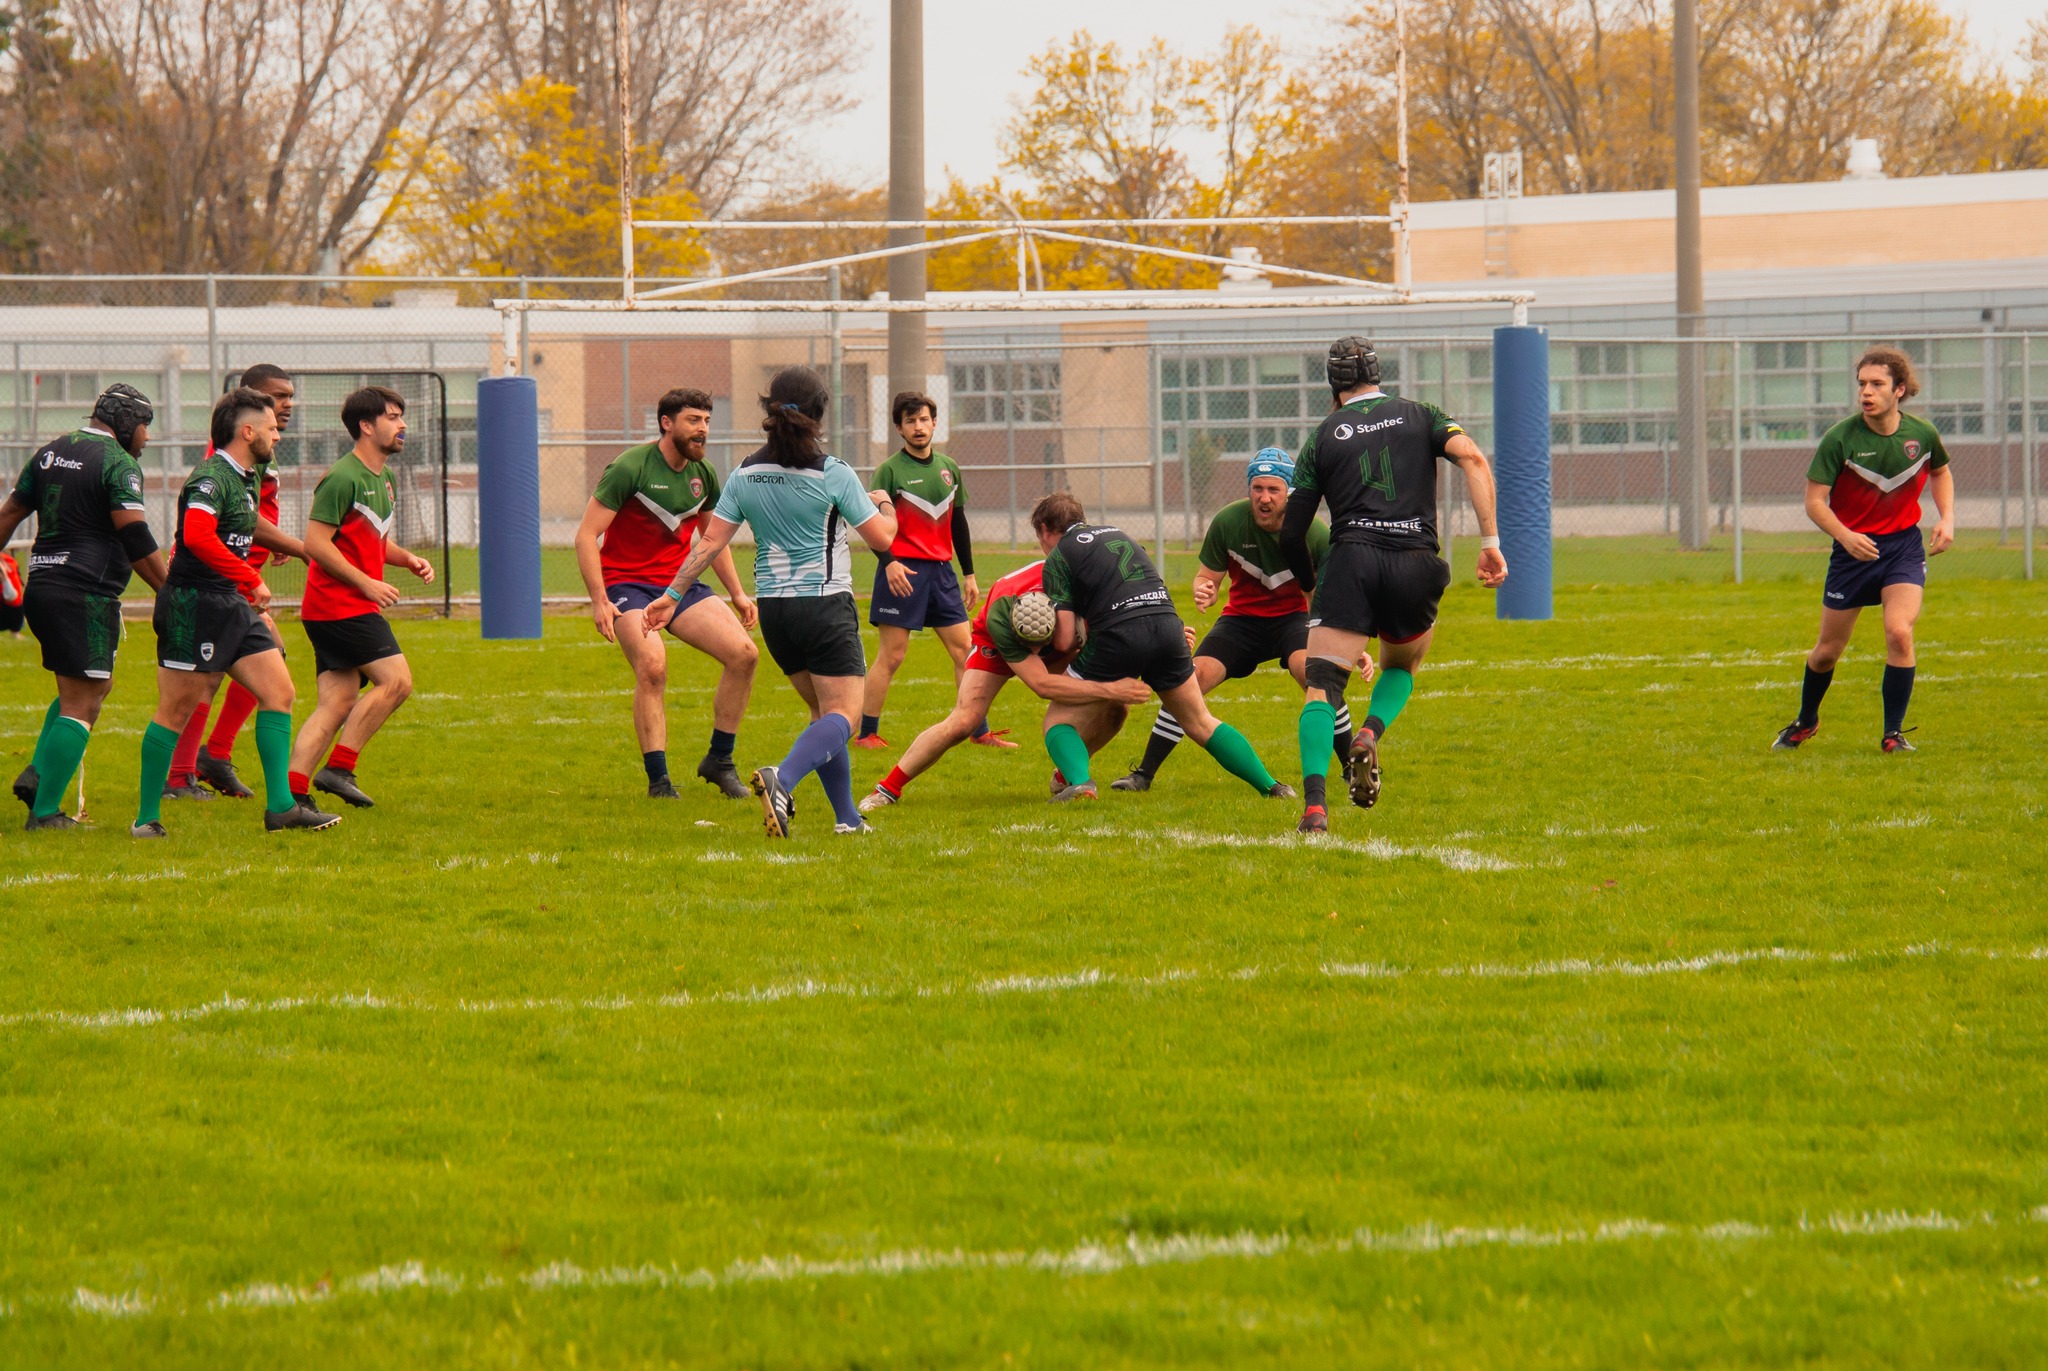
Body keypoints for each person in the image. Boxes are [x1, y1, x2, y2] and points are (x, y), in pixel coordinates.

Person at [642, 366, 895, 838]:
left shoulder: (745, 472)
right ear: (819, 414)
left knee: (824, 714)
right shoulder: (833, 471)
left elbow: (710, 542)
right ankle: (784, 778)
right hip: (823, 605)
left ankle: (847, 818)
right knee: (845, 716)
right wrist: (885, 505)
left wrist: (671, 595)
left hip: (776, 614)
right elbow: (881, 536)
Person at [1280, 335, 1507, 834]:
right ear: (1377, 373)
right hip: (1414, 560)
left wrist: (1309, 586)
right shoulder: (1421, 413)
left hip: (1352, 561)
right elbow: (1472, 458)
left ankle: (1315, 807)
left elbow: (1293, 530)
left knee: (1320, 686)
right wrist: (1490, 541)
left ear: (1333, 383)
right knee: (1403, 664)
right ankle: (1368, 733)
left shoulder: (1322, 436)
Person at [859, 492, 1151, 812]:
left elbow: (1138, 601)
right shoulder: (1005, 608)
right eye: (1033, 643)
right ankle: (887, 789)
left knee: (1116, 709)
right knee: (965, 719)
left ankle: (1068, 772)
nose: (1037, 650)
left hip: (1066, 642)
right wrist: (1107, 684)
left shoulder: (1089, 577)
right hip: (997, 644)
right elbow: (1040, 685)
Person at [131, 388, 336, 835]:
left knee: (278, 692)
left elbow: (247, 523)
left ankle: (281, 808)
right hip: (193, 604)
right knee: (176, 708)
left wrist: (296, 549)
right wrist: (250, 577)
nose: (277, 435)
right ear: (247, 431)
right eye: (270, 427)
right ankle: (147, 819)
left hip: (229, 601)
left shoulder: (247, 474)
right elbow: (198, 536)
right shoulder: (211, 477)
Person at [1111, 448, 1362, 793]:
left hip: (1294, 621)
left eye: (1273, 490)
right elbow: (1207, 578)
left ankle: (1352, 769)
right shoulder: (1228, 521)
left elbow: (1333, 596)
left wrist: (1346, 641)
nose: (1264, 497)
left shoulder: (1313, 532)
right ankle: (1143, 774)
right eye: (1257, 488)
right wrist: (1205, 590)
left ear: (1288, 492)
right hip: (1241, 621)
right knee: (1190, 680)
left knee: (1315, 676)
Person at [575, 387, 758, 799]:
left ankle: (719, 760)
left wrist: (738, 594)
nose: (703, 430)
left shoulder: (704, 474)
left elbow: (713, 540)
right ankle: (659, 781)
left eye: (707, 421)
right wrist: (600, 600)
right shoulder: (629, 467)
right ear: (666, 423)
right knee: (653, 665)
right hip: (626, 585)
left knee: (744, 655)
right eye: (694, 420)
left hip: (678, 585)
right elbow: (586, 536)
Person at [0, 384, 169, 829]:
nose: (148, 438)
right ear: (125, 422)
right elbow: (134, 535)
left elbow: (9, 514)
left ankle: (38, 771)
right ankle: (45, 812)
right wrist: (170, 591)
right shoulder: (118, 463)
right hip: (85, 593)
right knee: (84, 702)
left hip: (44, 587)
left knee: (85, 688)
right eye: (146, 427)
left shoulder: (51, 451)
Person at [1772, 346, 1953, 754]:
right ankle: (1806, 720)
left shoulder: (1922, 434)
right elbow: (1814, 502)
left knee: (1900, 633)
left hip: (1903, 548)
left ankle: (1893, 734)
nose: (1866, 392)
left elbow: (1940, 471)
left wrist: (1948, 517)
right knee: (1826, 653)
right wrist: (1846, 536)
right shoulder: (1840, 438)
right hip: (1852, 553)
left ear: (1899, 390)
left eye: (1876, 384)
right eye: (1861, 385)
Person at [1038, 513, 1288, 803]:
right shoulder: (1121, 535)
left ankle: (1081, 783)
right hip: (1169, 626)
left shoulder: (1059, 556)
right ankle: (1272, 787)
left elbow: (1066, 638)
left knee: (1057, 720)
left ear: (1044, 530)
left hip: (1120, 634)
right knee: (1200, 721)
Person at [283, 385, 436, 811]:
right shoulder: (343, 476)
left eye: (402, 416)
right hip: (339, 606)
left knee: (335, 704)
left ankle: (292, 796)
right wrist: (365, 583)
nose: (402, 425)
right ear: (366, 426)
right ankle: (339, 769)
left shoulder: (382, 477)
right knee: (398, 681)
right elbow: (316, 542)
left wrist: (407, 559)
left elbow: (370, 539)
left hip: (339, 607)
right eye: (392, 417)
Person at [167, 363, 306, 801]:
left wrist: (278, 540)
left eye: (288, 396)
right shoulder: (229, 450)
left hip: (239, 576)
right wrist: (281, 550)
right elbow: (208, 521)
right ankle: (183, 774)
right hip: (217, 578)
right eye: (277, 396)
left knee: (259, 666)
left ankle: (204, 762)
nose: (286, 405)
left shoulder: (263, 450)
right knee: (210, 677)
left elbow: (247, 513)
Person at [854, 390, 1010, 751]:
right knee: (892, 655)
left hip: (942, 574)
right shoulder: (889, 470)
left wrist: (968, 574)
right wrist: (889, 563)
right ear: (900, 428)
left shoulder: (948, 467)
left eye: (924, 419)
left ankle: (978, 729)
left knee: (966, 651)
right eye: (910, 421)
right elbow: (872, 524)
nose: (918, 426)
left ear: (934, 423)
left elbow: (959, 522)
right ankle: (866, 734)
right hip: (902, 572)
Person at [0, 548, 23, 638]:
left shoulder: (8, 564)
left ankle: (15, 632)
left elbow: (12, 597)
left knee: (16, 603)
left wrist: (4, 578)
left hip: (6, 614)